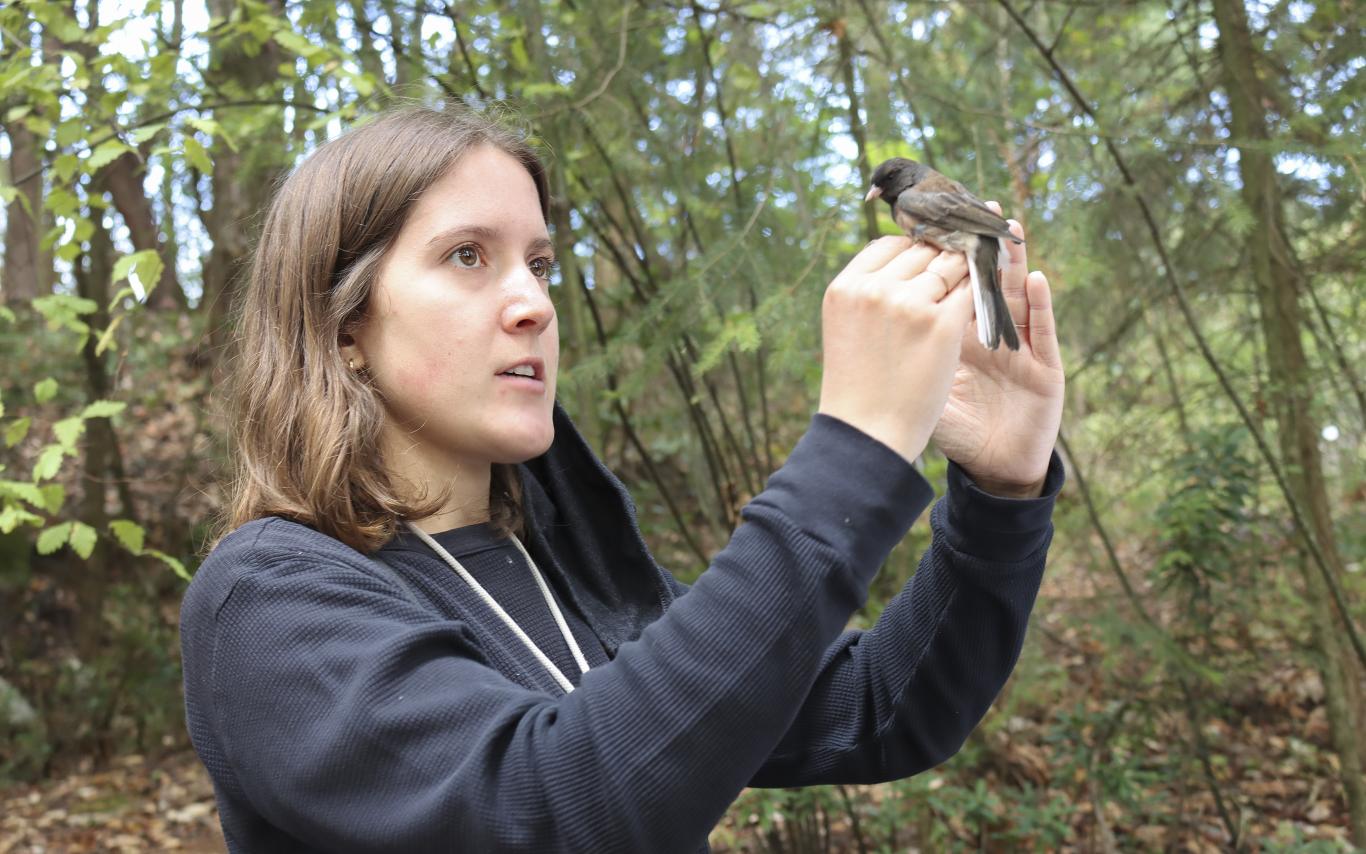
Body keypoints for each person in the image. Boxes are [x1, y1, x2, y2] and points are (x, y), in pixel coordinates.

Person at [180, 105, 1065, 854]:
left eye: (539, 263)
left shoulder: (572, 574)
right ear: (343, 327)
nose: (534, 303)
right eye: (466, 257)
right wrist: (857, 448)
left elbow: (879, 707)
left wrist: (999, 489)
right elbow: (556, 806)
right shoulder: (270, 604)